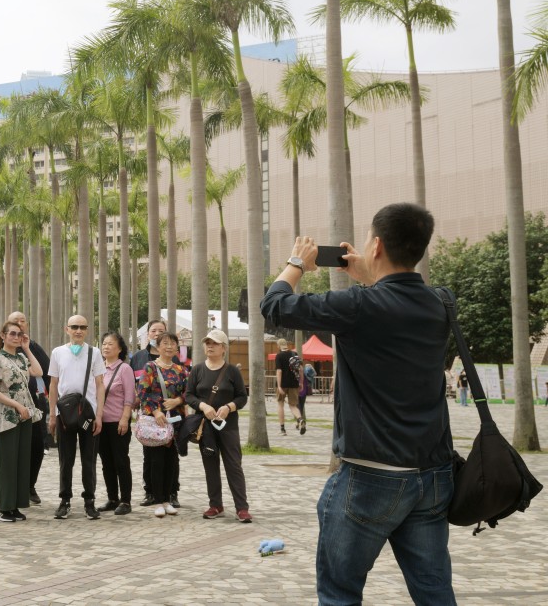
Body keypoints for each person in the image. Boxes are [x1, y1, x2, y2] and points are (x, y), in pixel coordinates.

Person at [261, 202, 456, 605]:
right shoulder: (440, 303)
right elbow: (396, 302)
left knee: (339, 593)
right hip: (433, 475)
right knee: (434, 592)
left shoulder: (358, 307)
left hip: (371, 475)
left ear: (378, 245)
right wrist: (371, 277)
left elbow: (274, 305)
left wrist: (297, 260)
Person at [185, 329, 252, 523]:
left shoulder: (232, 371)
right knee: (210, 466)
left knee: (233, 465)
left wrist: (229, 407)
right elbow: (189, 395)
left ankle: (242, 508)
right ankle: (216, 505)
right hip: (205, 428)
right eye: (207, 343)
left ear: (224, 348)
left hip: (228, 427)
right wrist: (203, 405)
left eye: (214, 343)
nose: (210, 346)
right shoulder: (197, 370)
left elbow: (242, 396)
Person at [48, 315, 106, 521]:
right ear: (67, 329)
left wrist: (99, 415)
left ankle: (89, 501)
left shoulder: (95, 352)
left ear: (87, 330)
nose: (78, 330)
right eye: (74, 327)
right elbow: (53, 385)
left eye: (82, 327)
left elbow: (100, 384)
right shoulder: (57, 352)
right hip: (64, 414)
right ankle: (65, 500)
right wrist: (52, 415)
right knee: (66, 459)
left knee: (89, 459)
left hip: (87, 413)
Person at [0, 320, 44, 522]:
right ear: (3, 336)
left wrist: (27, 349)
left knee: (21, 462)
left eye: (19, 334)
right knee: (7, 463)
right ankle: (3, 507)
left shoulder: (21, 358)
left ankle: (15, 506)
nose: (16, 337)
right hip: (7, 416)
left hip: (25, 416)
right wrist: (17, 406)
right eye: (12, 333)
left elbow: (38, 371)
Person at [129, 319, 182, 508]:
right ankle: (155, 497)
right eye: (164, 343)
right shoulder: (148, 365)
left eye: (172, 343)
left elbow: (187, 392)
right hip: (153, 419)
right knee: (153, 459)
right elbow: (142, 391)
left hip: (174, 419)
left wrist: (178, 401)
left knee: (172, 459)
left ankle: (170, 495)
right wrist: (156, 411)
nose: (168, 346)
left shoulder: (180, 368)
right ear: (156, 344)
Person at [6, 310, 51, 506]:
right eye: (15, 322)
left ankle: (30, 485)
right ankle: (12, 488)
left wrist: (55, 404)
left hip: (35, 405)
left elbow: (48, 374)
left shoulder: (33, 347)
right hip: (8, 407)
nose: (19, 324)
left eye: (22, 321)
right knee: (11, 449)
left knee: (37, 446)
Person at [97, 332, 135, 516]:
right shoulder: (99, 368)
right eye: (104, 344)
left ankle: (125, 501)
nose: (106, 347)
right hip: (100, 423)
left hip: (118, 422)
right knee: (106, 463)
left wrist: (125, 418)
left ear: (119, 349)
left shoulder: (124, 369)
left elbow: (130, 396)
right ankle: (112, 498)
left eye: (110, 344)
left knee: (121, 461)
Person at [274, 338, 305, 435]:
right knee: (293, 405)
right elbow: (300, 369)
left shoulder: (279, 356)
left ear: (278, 346)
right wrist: (301, 382)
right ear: (287, 345)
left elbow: (279, 371)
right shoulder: (294, 354)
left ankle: (282, 430)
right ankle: (300, 420)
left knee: (280, 404)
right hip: (294, 383)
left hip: (283, 384)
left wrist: (279, 386)